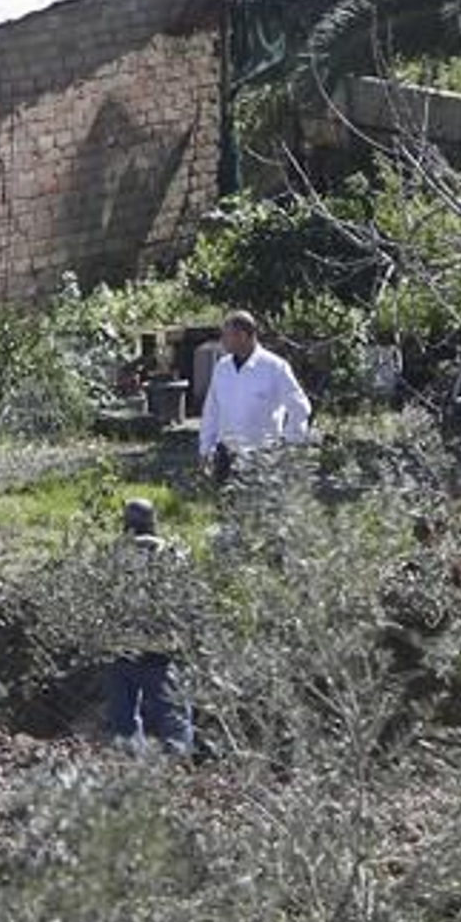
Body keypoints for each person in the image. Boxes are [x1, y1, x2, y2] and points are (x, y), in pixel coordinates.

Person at [104, 497, 193, 758]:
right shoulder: (172, 553)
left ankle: (131, 768)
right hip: (161, 645)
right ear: (153, 522)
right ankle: (180, 768)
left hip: (121, 645)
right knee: (173, 712)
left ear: (126, 524)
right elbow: (188, 598)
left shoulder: (113, 554)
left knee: (123, 716)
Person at [198, 310, 312, 484]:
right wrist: (205, 449)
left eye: (227, 336)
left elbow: (299, 407)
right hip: (225, 456)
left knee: (260, 508)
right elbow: (211, 411)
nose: (222, 341)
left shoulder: (275, 367)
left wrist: (289, 444)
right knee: (223, 508)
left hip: (262, 457)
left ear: (243, 335)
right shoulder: (222, 367)